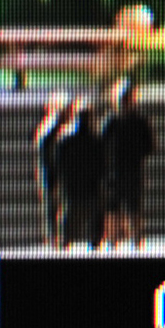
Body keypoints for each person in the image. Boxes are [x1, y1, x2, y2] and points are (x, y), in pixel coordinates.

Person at [101, 77, 157, 249]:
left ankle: (126, 241)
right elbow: (150, 146)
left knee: (124, 208)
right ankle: (126, 241)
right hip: (124, 173)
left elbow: (102, 146)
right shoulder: (131, 121)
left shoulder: (113, 121)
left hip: (123, 173)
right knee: (123, 208)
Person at [56, 97, 108, 249]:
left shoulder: (66, 142)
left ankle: (64, 248)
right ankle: (95, 247)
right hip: (92, 190)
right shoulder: (97, 142)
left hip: (73, 191)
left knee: (69, 227)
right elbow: (103, 167)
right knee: (94, 226)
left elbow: (60, 166)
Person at [31, 92, 71, 247]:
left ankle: (56, 240)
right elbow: (49, 155)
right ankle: (55, 241)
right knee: (54, 209)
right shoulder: (51, 128)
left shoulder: (48, 127)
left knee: (55, 209)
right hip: (51, 176)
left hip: (52, 175)